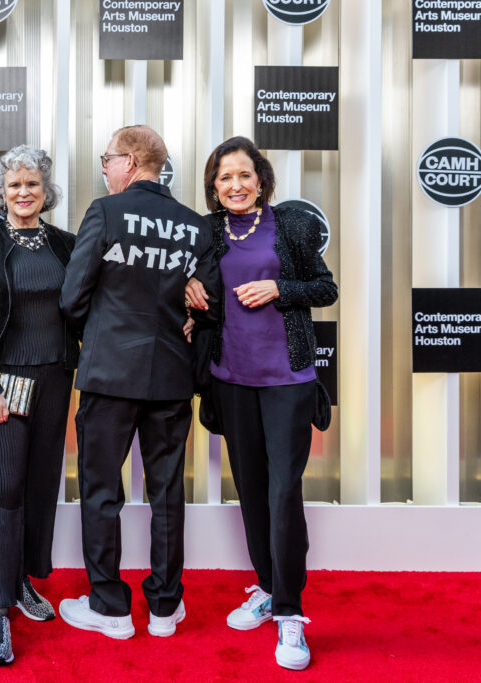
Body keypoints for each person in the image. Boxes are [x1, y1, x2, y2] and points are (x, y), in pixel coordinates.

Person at [185, 136, 337, 671]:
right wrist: (188, 288)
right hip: (230, 378)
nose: (235, 185)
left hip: (288, 379)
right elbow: (192, 284)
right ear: (213, 187)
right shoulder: (206, 233)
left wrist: (280, 288)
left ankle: (292, 616)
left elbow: (326, 288)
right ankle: (268, 588)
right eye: (224, 178)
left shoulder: (290, 226)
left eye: (244, 175)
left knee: (282, 490)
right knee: (249, 488)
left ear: (261, 179)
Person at [57, 125, 215, 641]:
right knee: (168, 493)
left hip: (108, 376)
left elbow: (72, 297)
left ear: (128, 161)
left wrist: (100, 337)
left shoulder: (105, 212)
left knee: (102, 491)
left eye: (107, 159)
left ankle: (109, 607)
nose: (104, 169)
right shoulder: (196, 226)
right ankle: (166, 608)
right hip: (171, 375)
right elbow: (205, 303)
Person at [0, 145, 77, 665]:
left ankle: (24, 579)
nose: (23, 193)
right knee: (2, 492)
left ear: (45, 191)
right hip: (5, 383)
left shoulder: (68, 245)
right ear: (0, 192)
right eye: (13, 185)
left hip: (56, 380)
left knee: (38, 486)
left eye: (32, 184)